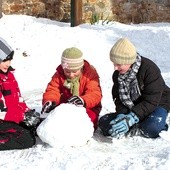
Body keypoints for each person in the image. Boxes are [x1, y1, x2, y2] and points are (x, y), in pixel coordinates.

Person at [99, 38, 170, 139]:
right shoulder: (118, 75)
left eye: (119, 64)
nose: (115, 68)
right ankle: (136, 122)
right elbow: (118, 98)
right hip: (133, 106)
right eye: (114, 63)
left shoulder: (150, 69)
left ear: (129, 61)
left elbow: (152, 100)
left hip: (157, 103)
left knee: (151, 128)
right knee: (104, 123)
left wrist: (132, 118)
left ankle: (154, 123)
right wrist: (121, 115)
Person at [41, 47, 102, 129]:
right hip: (67, 105)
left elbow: (94, 94)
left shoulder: (90, 75)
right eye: (67, 71)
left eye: (74, 71)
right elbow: (52, 89)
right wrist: (50, 101)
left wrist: (83, 101)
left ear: (80, 68)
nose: (71, 75)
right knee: (56, 120)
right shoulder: (59, 74)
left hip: (88, 107)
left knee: (86, 122)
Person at [0, 37, 40, 150]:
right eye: (4, 60)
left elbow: (18, 99)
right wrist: (21, 117)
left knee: (34, 127)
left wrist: (27, 112)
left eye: (10, 59)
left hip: (8, 118)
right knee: (25, 139)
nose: (8, 63)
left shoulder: (9, 75)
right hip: (3, 119)